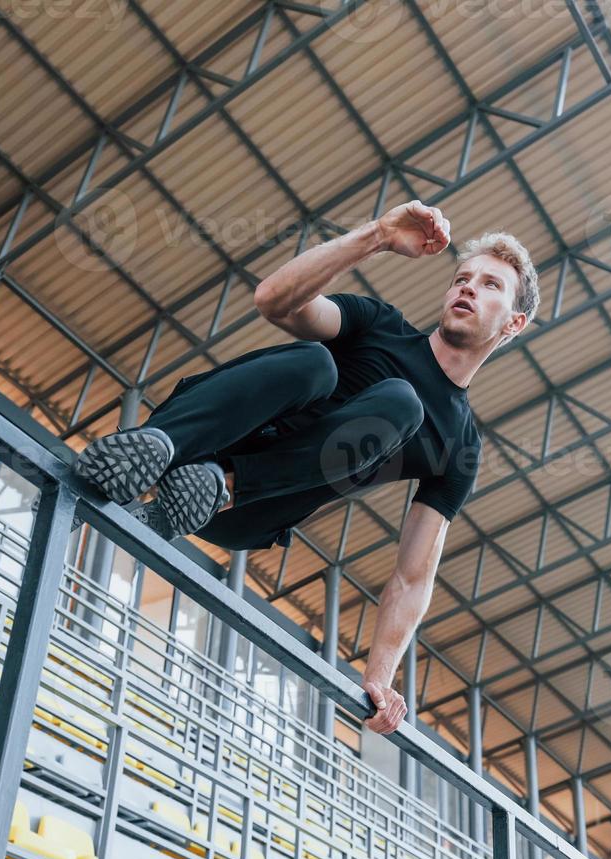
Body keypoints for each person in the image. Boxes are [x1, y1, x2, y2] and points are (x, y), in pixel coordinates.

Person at [73, 201, 539, 734]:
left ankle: (218, 487)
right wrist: (378, 236)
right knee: (316, 360)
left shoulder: (459, 444)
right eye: (462, 277)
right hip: (199, 433)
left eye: (490, 285)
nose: (469, 288)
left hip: (246, 507)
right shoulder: (380, 324)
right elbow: (273, 299)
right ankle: (153, 451)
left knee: (401, 405)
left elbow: (414, 575)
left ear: (514, 324)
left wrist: (380, 677)